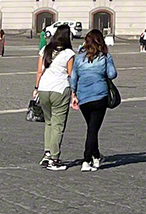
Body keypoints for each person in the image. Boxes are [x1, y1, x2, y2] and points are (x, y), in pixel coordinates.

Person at [68, 28, 117, 171]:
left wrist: (73, 94)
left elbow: (73, 78)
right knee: (93, 129)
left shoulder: (79, 58)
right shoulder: (104, 57)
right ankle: (86, 159)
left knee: (92, 128)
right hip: (99, 96)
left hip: (83, 97)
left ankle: (96, 156)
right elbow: (112, 74)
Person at [32, 24, 77, 170]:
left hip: (43, 88)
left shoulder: (45, 50)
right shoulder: (69, 53)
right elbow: (71, 74)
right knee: (58, 124)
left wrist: (36, 88)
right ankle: (54, 158)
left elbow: (39, 71)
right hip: (60, 89)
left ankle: (47, 153)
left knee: (49, 122)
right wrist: (74, 93)